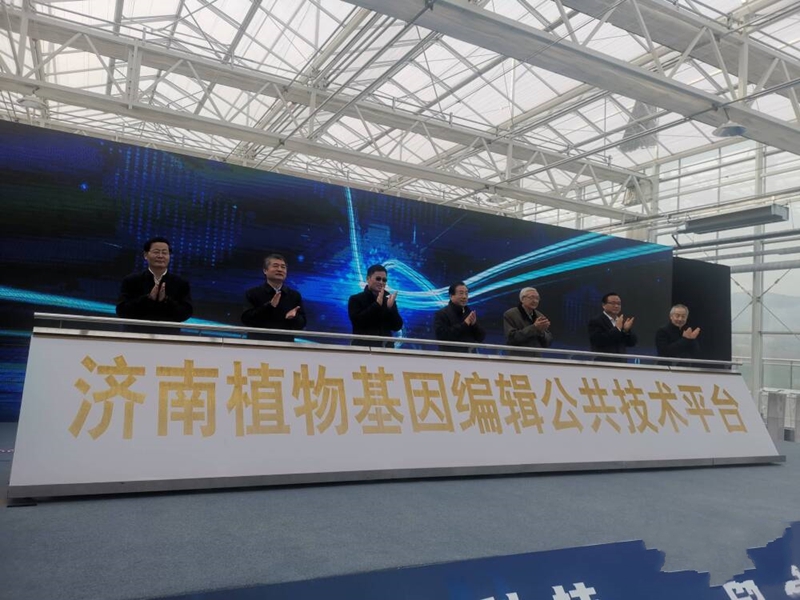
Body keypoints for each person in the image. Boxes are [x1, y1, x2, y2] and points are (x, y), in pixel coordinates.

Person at [116, 236, 193, 322]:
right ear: (145, 255)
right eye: (156, 252)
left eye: (164, 253)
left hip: (167, 330)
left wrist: (166, 300)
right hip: (137, 330)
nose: (160, 256)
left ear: (169, 256)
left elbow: (186, 313)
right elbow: (122, 311)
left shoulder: (181, 283)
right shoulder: (131, 281)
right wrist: (148, 298)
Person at [241, 253, 306, 340]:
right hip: (258, 343)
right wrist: (270, 306)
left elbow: (301, 325)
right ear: (265, 270)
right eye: (275, 266)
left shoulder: (294, 295)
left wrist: (295, 317)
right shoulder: (252, 293)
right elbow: (246, 320)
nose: (280, 269)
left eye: (283, 267)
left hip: (285, 345)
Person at [348, 264, 403, 347]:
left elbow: (397, 326)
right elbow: (358, 323)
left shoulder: (388, 300)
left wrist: (390, 309)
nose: (381, 282)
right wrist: (376, 305)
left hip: (386, 350)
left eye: (384, 280)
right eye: (378, 279)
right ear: (368, 279)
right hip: (363, 349)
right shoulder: (355, 299)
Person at [433, 282, 486, 353]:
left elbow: (481, 338)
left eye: (466, 294)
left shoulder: (469, 313)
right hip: (450, 356)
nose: (464, 297)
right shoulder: (441, 314)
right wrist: (465, 324)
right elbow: (443, 337)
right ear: (451, 296)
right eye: (461, 293)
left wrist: (474, 325)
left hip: (470, 356)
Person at [587, 292, 637, 362]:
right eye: (613, 303)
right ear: (603, 305)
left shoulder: (621, 321)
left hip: (621, 363)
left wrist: (626, 331)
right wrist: (617, 329)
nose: (616, 306)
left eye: (618, 304)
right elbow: (598, 341)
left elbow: (632, 343)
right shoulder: (596, 321)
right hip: (603, 362)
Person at [502, 287, 552, 355]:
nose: (535, 301)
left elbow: (547, 343)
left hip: (536, 358)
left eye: (537, 298)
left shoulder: (539, 315)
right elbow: (512, 339)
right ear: (522, 299)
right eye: (531, 297)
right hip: (517, 357)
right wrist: (534, 327)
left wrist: (541, 332)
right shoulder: (510, 314)